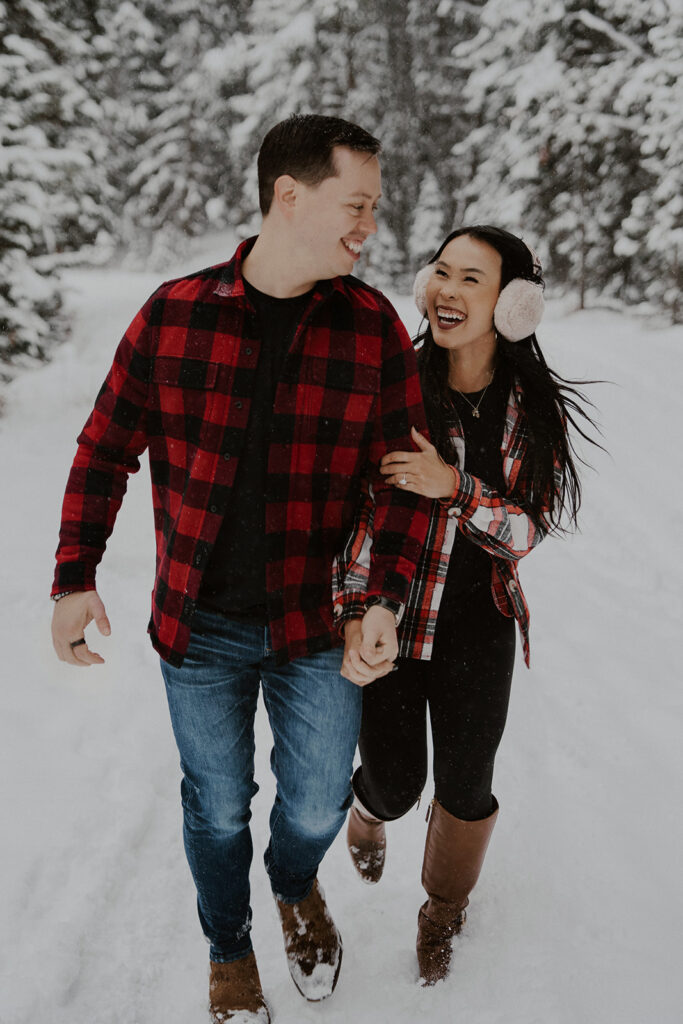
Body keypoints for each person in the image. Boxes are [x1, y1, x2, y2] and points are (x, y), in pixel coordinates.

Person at [50, 114, 432, 1023]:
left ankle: (294, 882)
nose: (367, 228)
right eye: (356, 205)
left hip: (316, 629)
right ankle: (228, 946)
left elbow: (409, 482)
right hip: (200, 625)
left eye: (372, 210)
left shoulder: (371, 323)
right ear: (287, 197)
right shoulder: (175, 314)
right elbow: (104, 450)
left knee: (309, 806)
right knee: (217, 807)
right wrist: (73, 575)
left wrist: (385, 595)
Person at [335, 225, 598, 986]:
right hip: (395, 616)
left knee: (465, 782)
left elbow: (525, 531)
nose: (447, 292)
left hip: (478, 622)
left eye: (470, 280)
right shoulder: (397, 386)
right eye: (440, 273)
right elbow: (363, 513)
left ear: (513, 305)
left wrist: (454, 488)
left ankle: (443, 907)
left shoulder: (529, 411)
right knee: (393, 778)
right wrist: (358, 608)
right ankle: (370, 809)